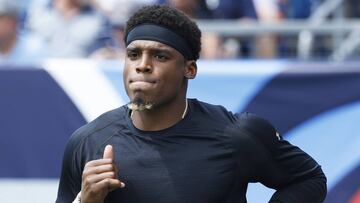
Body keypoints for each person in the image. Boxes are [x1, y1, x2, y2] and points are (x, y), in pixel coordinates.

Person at [56, 5, 327, 203]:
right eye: (134, 54)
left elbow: (309, 180)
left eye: (160, 56)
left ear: (190, 69)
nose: (143, 66)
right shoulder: (88, 142)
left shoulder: (236, 134)